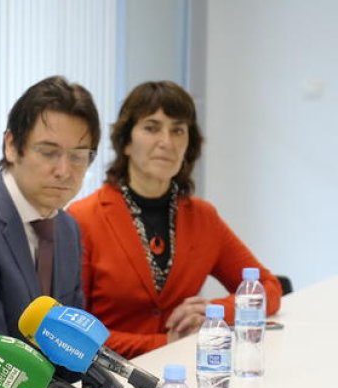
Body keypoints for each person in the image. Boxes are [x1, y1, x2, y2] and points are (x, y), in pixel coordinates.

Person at [67, 80, 282, 357]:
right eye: (151, 127)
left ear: (188, 144)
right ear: (127, 142)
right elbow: (73, 332)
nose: (166, 142)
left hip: (184, 375)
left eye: (178, 130)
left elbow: (268, 288)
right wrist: (164, 343)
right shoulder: (83, 218)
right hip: (109, 379)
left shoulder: (204, 218)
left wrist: (214, 312)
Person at [0, 76, 102, 374]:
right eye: (49, 152)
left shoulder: (67, 228)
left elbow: (74, 346)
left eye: (78, 156)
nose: (64, 171)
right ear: (11, 146)